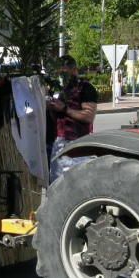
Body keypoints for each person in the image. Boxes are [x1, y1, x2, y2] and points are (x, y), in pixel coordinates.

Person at [47, 55, 97, 183]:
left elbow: (88, 116)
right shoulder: (60, 89)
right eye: (59, 72)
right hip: (59, 144)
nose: (62, 76)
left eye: (64, 71)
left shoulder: (85, 88)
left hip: (78, 144)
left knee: (77, 186)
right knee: (57, 186)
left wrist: (64, 109)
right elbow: (57, 120)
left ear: (74, 70)